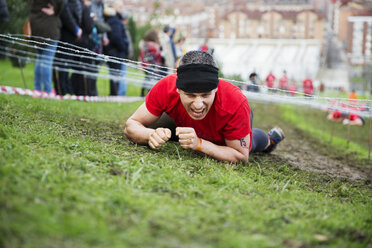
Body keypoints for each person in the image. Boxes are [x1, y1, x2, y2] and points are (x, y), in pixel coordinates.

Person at [124, 51, 285, 163]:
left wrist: (200, 144)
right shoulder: (166, 87)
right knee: (158, 127)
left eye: (205, 95)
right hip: (184, 123)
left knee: (252, 144)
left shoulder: (235, 103)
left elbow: (240, 156)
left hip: (222, 131)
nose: (198, 104)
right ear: (178, 89)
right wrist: (150, 134)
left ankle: (270, 140)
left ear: (216, 88)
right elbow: (131, 125)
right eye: (191, 95)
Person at [28, 0, 64, 98]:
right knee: (46, 61)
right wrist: (56, 10)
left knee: (40, 60)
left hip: (35, 26)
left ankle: (37, 89)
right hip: (49, 27)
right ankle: (47, 90)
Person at [103, 0, 129, 96]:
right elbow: (116, 37)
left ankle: (115, 94)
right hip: (116, 52)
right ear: (113, 7)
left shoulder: (116, 19)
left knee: (116, 76)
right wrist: (123, 48)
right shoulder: (114, 19)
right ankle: (115, 95)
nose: (122, 9)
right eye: (120, 7)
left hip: (115, 51)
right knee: (115, 76)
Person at [139, 29, 162, 97]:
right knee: (150, 79)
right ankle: (149, 94)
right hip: (152, 65)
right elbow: (157, 55)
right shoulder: (152, 45)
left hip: (146, 64)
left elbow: (141, 55)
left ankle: (142, 93)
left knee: (147, 78)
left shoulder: (144, 44)